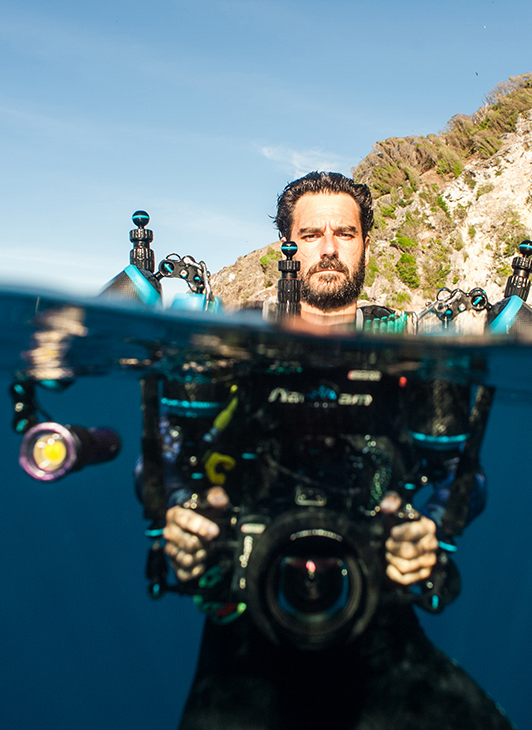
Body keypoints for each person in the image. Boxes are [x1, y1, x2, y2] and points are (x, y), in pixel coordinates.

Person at [161, 171, 513, 730]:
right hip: (247, 624)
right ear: (287, 245)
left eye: (345, 233)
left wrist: (430, 529)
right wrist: (180, 512)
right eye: (311, 234)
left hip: (378, 613)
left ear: (366, 243)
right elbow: (166, 452)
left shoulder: (409, 348)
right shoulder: (234, 343)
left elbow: (463, 473)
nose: (328, 249)